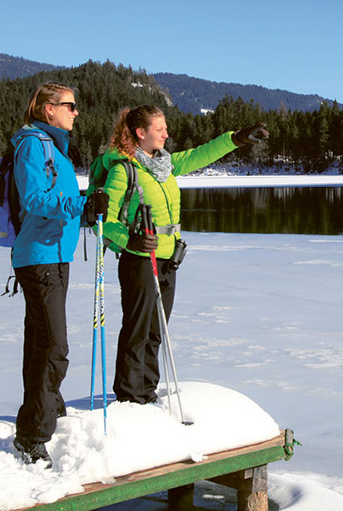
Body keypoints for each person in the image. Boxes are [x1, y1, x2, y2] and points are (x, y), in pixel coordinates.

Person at [94, 106, 267, 405]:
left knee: (156, 330)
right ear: (141, 133)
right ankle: (130, 397)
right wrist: (130, 239)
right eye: (160, 129)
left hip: (169, 259)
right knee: (138, 329)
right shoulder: (124, 170)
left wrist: (236, 139)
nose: (166, 134)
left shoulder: (166, 165)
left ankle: (146, 392)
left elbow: (202, 154)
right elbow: (104, 222)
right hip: (139, 260)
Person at [10, 82, 107, 467]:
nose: (76, 111)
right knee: (53, 346)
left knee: (39, 341)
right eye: (69, 105)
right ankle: (33, 434)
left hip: (53, 255)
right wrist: (81, 204)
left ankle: (46, 407)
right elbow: (34, 198)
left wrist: (84, 205)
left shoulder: (55, 147)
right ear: (48, 109)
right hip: (40, 257)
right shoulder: (35, 144)